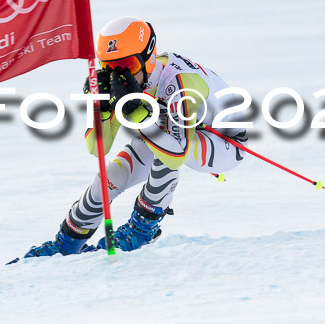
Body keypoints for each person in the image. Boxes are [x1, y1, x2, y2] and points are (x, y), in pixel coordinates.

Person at [24, 16, 249, 256]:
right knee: (112, 174)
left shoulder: (180, 83)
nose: (119, 74)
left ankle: (142, 229)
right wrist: (100, 107)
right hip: (172, 133)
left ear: (148, 58)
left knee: (165, 148)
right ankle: (66, 244)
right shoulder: (126, 81)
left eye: (128, 65)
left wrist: (136, 113)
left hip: (225, 142)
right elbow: (96, 148)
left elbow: (175, 155)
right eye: (109, 66)